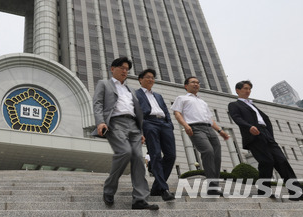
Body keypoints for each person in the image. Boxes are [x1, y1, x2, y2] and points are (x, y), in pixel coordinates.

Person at [228, 80, 303, 201]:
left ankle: (296, 192)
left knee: (282, 161)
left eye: (249, 89)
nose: (248, 91)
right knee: (267, 161)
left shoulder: (252, 105)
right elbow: (236, 118)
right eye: (245, 88)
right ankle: (264, 190)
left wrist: (270, 135)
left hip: (266, 135)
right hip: (254, 135)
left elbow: (265, 120)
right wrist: (249, 127)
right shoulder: (234, 105)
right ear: (238, 90)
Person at [93, 57, 159, 210]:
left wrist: (140, 131)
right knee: (125, 152)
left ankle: (140, 200)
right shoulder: (104, 84)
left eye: (127, 69)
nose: (125, 71)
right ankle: (109, 189)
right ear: (112, 68)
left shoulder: (130, 90)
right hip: (115, 123)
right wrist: (100, 122)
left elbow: (136, 110)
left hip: (133, 126)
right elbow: (97, 103)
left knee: (138, 159)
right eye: (122, 68)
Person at [171, 76, 229, 196]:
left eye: (198, 82)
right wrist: (185, 125)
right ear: (186, 86)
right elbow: (177, 113)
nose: (196, 84)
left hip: (209, 129)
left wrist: (220, 131)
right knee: (208, 151)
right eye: (193, 82)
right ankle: (212, 186)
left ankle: (215, 185)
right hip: (195, 128)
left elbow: (210, 119)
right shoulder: (181, 98)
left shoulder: (203, 102)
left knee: (217, 156)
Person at [136, 68, 176, 201]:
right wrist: (140, 130)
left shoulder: (158, 95)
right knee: (156, 155)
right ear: (140, 79)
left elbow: (165, 110)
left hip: (164, 124)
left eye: (152, 77)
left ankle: (156, 188)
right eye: (147, 77)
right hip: (149, 123)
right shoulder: (135, 94)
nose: (150, 79)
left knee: (171, 155)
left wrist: (169, 124)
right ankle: (164, 189)